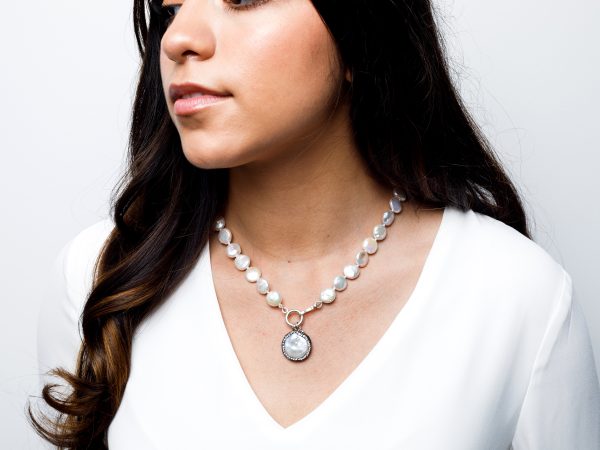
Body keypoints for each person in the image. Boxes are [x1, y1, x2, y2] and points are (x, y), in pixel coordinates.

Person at [29, 0, 600, 448]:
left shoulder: (518, 298)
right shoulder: (102, 279)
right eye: (170, 9)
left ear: (361, 33)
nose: (178, 39)